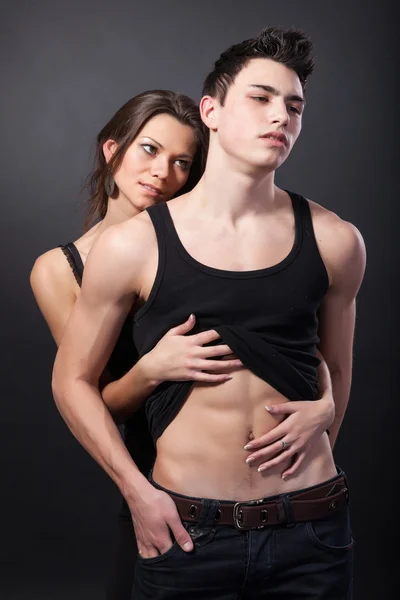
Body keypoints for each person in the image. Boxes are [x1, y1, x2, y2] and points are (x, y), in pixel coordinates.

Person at [52, 25, 365, 599]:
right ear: (211, 111)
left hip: (314, 530)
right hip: (188, 533)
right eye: (261, 98)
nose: (281, 117)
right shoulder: (133, 246)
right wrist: (136, 492)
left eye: (294, 107)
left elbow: (338, 369)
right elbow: (71, 381)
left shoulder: (336, 239)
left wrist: (323, 419)